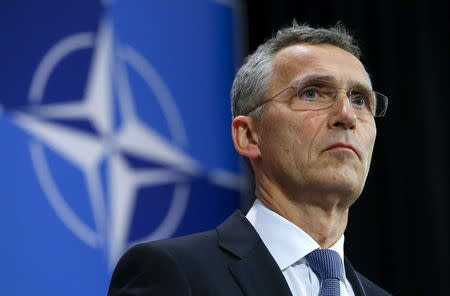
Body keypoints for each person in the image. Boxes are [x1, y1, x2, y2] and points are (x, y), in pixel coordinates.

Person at [107, 22, 391, 296]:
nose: (346, 115)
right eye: (312, 93)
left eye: (359, 99)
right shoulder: (174, 273)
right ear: (249, 136)